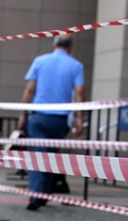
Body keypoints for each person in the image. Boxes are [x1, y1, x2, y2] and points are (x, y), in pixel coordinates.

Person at [17, 35, 85, 211]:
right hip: (59, 120)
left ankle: (35, 195)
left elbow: (30, 89)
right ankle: (44, 193)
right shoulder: (76, 66)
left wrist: (22, 113)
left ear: (54, 45)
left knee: (37, 156)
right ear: (71, 47)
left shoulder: (39, 61)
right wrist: (79, 118)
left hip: (38, 116)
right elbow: (79, 93)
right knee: (51, 157)